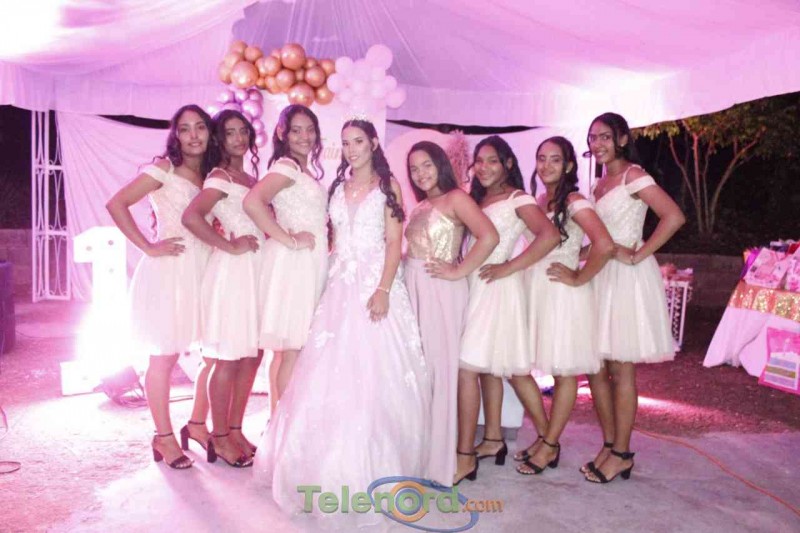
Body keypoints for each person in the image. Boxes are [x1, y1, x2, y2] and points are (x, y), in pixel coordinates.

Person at [255, 119, 430, 527]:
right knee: (324, 374)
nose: (351, 149)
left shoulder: (388, 186)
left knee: (372, 375)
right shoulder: (337, 186)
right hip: (338, 285)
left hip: (374, 284)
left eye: (358, 141)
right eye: (346, 142)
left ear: (373, 143)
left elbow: (394, 242)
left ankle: (374, 471)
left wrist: (383, 288)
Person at [106, 104, 214, 469]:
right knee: (164, 356)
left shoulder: (212, 174)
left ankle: (197, 424)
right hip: (171, 271)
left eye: (200, 127)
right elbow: (117, 203)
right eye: (185, 129)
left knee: (215, 354)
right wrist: (148, 247)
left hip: (204, 269)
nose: (194, 135)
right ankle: (163, 437)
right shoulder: (164, 169)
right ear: (176, 136)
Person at [582, 112, 685, 484]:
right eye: (593, 137)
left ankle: (623, 454)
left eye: (605, 137)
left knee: (621, 366)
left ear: (622, 139)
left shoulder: (634, 176)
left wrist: (640, 254)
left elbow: (673, 216)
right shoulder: (598, 184)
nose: (598, 144)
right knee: (595, 367)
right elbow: (598, 237)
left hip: (624, 278)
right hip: (598, 275)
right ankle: (610, 445)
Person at [454, 136, 560, 485]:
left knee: (508, 368)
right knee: (488, 366)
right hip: (476, 285)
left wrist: (509, 266)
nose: (483, 167)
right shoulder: (477, 199)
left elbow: (549, 236)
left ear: (508, 164)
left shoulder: (518, 198)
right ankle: (493, 438)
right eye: (479, 161)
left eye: (492, 161)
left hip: (499, 288)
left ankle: (548, 440)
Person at [514, 136, 615, 475]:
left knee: (564, 371)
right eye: (541, 158)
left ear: (569, 165)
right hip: (537, 290)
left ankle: (550, 445)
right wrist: (574, 254)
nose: (546, 165)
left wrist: (579, 276)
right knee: (534, 367)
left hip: (562, 294)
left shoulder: (573, 200)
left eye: (555, 159)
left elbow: (604, 244)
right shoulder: (541, 200)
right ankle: (547, 439)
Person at [403, 141, 499, 487]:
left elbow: (489, 236)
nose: (421, 174)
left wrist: (459, 270)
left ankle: (456, 459)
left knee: (444, 374)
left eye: (427, 165)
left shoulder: (457, 198)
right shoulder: (420, 206)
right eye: (414, 169)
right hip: (414, 288)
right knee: (422, 374)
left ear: (440, 164)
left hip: (441, 291)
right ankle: (427, 454)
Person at [182, 109, 264, 467]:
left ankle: (235, 430)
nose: (239, 138)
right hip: (232, 273)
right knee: (229, 357)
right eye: (230, 132)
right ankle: (218, 437)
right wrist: (229, 246)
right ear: (220, 138)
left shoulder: (251, 178)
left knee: (251, 355)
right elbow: (191, 217)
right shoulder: (219, 176)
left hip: (255, 272)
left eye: (243, 131)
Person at [242, 105, 328, 416]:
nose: (305, 136)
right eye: (296, 130)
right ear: (282, 133)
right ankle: (286, 425)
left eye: (310, 130)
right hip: (297, 263)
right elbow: (252, 202)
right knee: (293, 349)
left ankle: (277, 422)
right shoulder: (287, 166)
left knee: (284, 353)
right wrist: (288, 239)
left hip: (306, 261)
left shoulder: (300, 169)